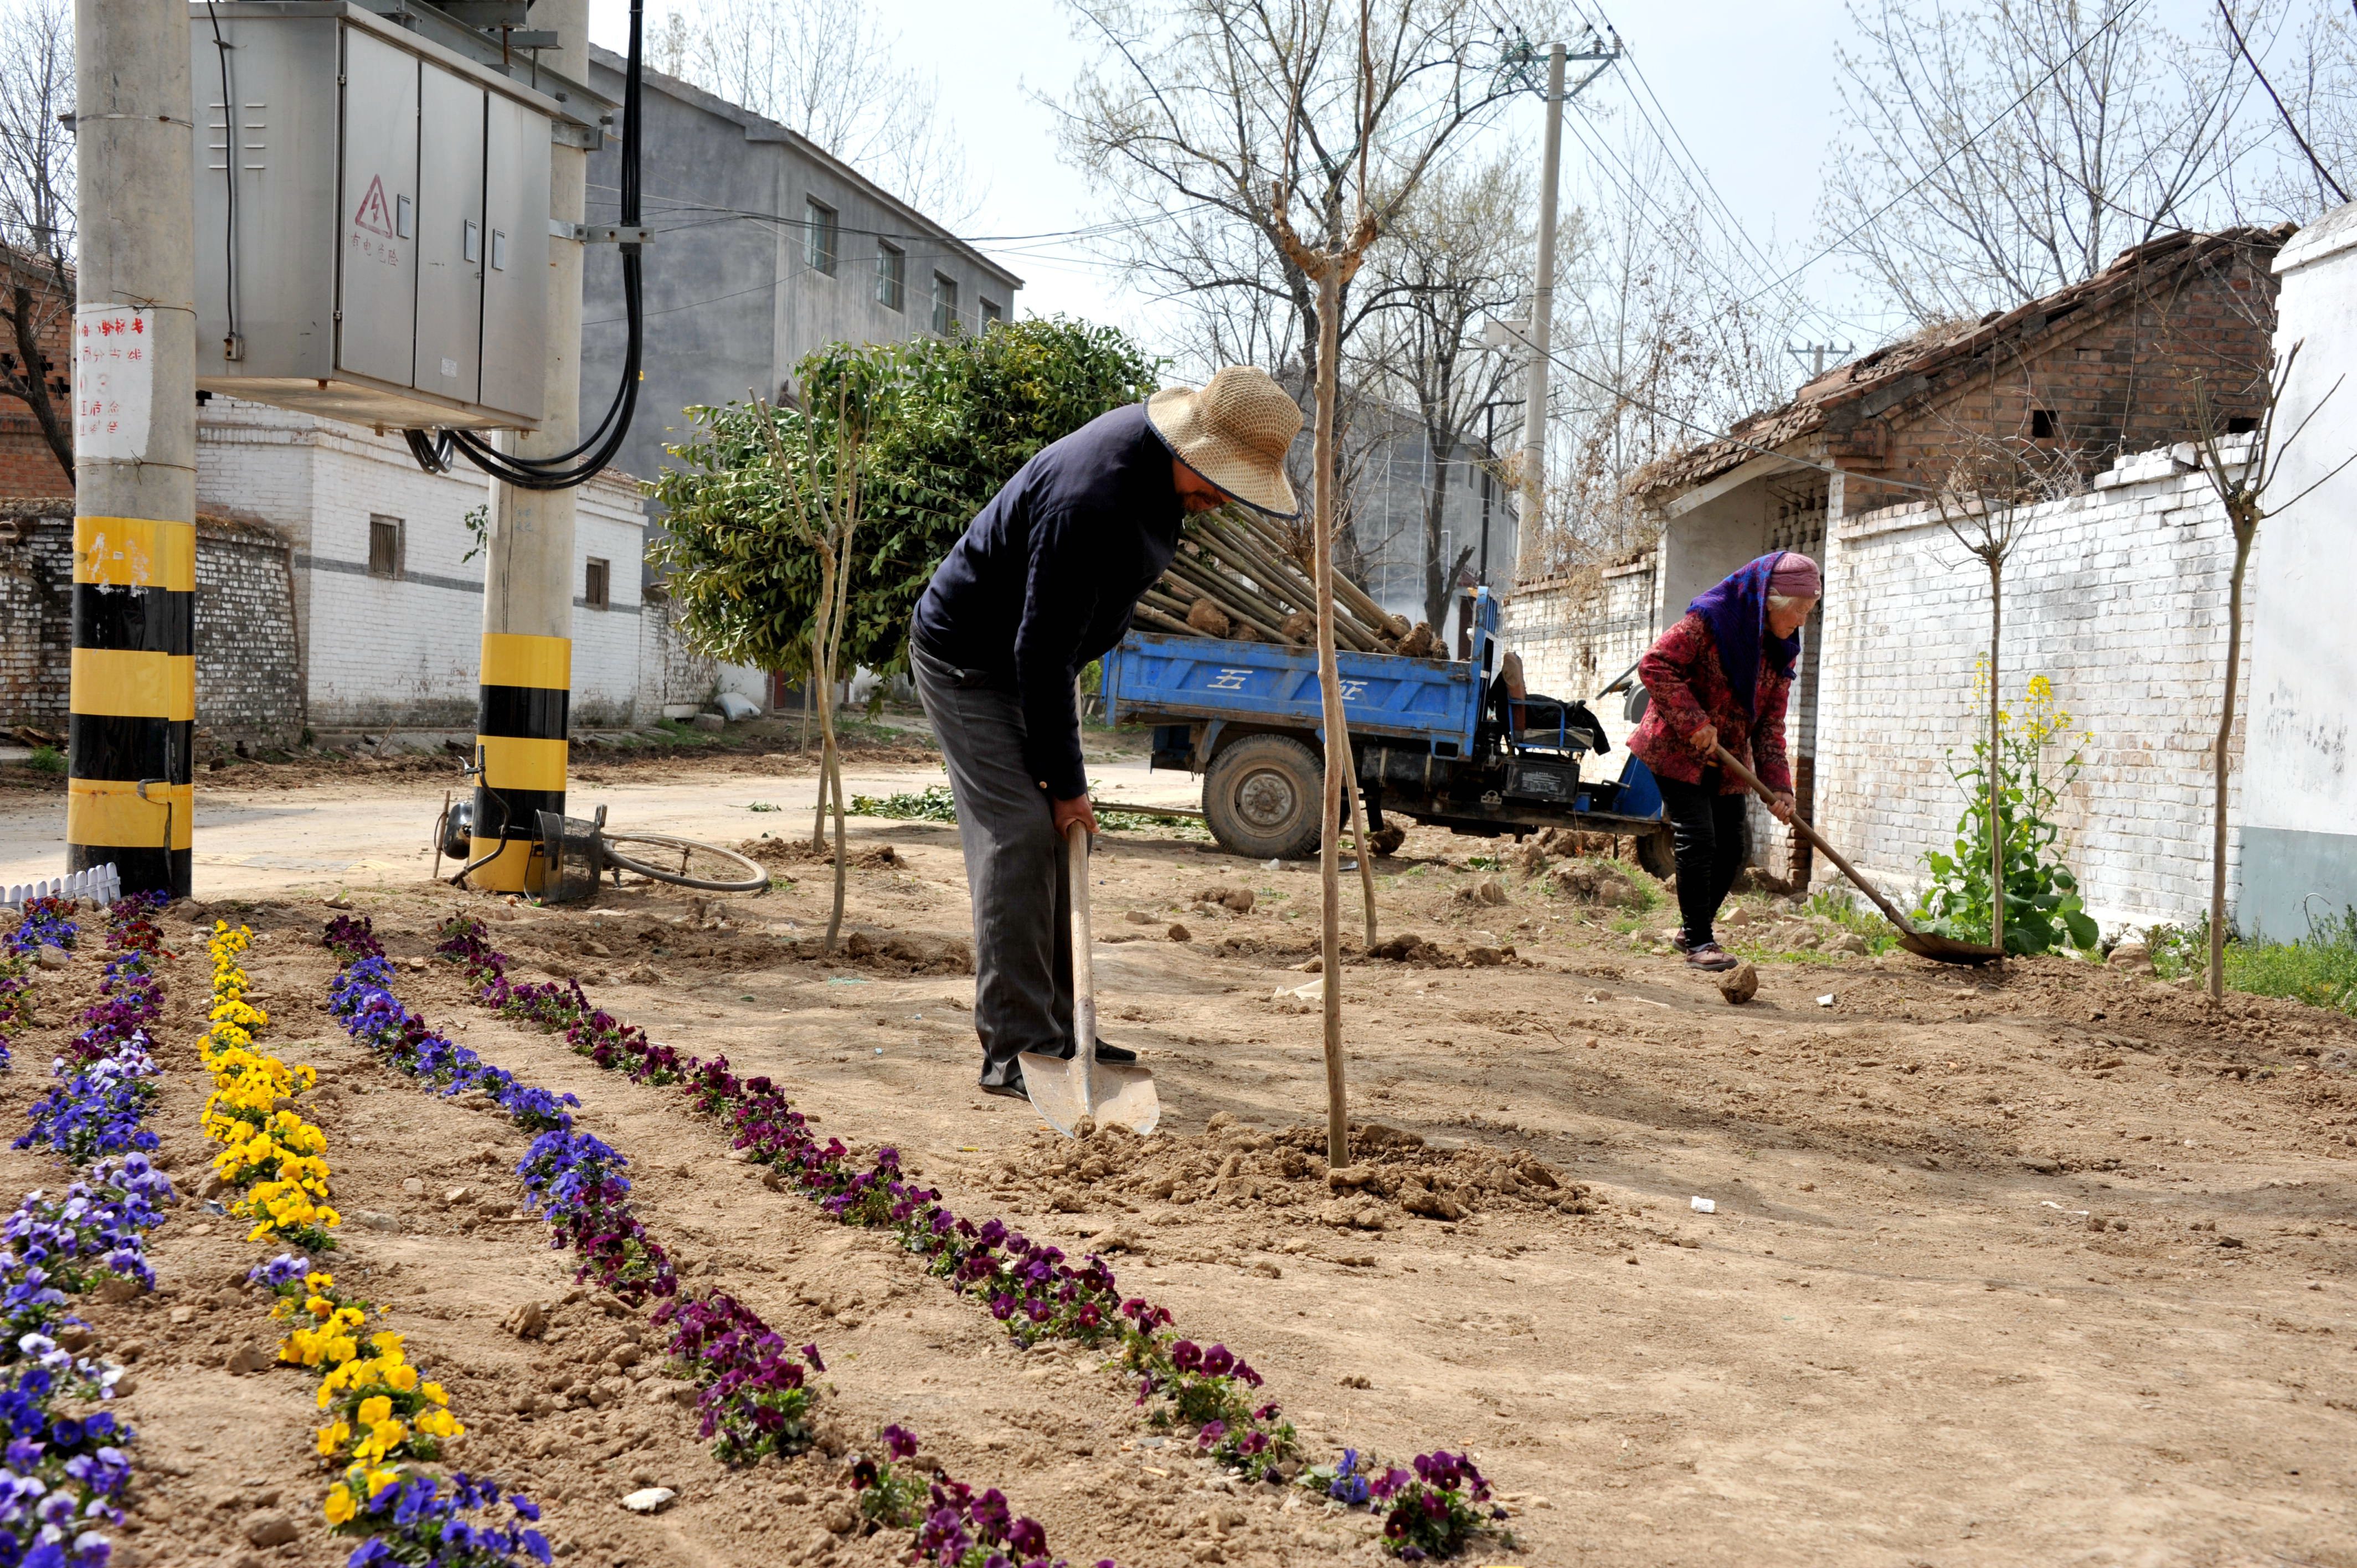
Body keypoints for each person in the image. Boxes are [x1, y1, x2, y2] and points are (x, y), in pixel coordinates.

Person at [909, 366, 1304, 1098]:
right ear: (1191, 444)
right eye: (1223, 478)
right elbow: (1038, 652)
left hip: (1025, 664)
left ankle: (1062, 1033)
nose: (1224, 497)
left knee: (1059, 838)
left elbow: (1052, 645)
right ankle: (1017, 1048)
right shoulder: (1092, 500)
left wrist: (1068, 790)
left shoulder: (1157, 472)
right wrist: (1066, 786)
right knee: (1023, 833)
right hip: (970, 662)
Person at [1627, 551, 1821, 972]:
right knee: (1699, 837)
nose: (1803, 621)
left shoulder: (1781, 649)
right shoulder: (1710, 621)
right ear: (1771, 602)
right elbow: (1655, 665)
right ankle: (1700, 941)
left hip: (1728, 756)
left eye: (1809, 611)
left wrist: (1781, 787)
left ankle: (1690, 929)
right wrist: (1693, 720)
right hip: (1676, 746)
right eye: (1800, 611)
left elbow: (1770, 724)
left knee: (1733, 847)